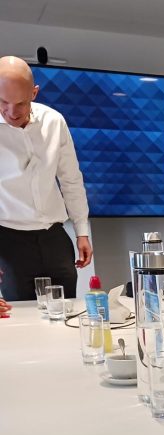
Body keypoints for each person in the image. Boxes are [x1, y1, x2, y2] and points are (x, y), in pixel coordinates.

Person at [0, 56, 92, 301]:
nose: (11, 112)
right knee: (23, 322)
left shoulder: (54, 121)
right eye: (3, 101)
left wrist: (82, 231)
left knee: (66, 314)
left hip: (55, 237)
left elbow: (71, 179)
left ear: (34, 93)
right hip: (8, 240)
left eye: (20, 103)